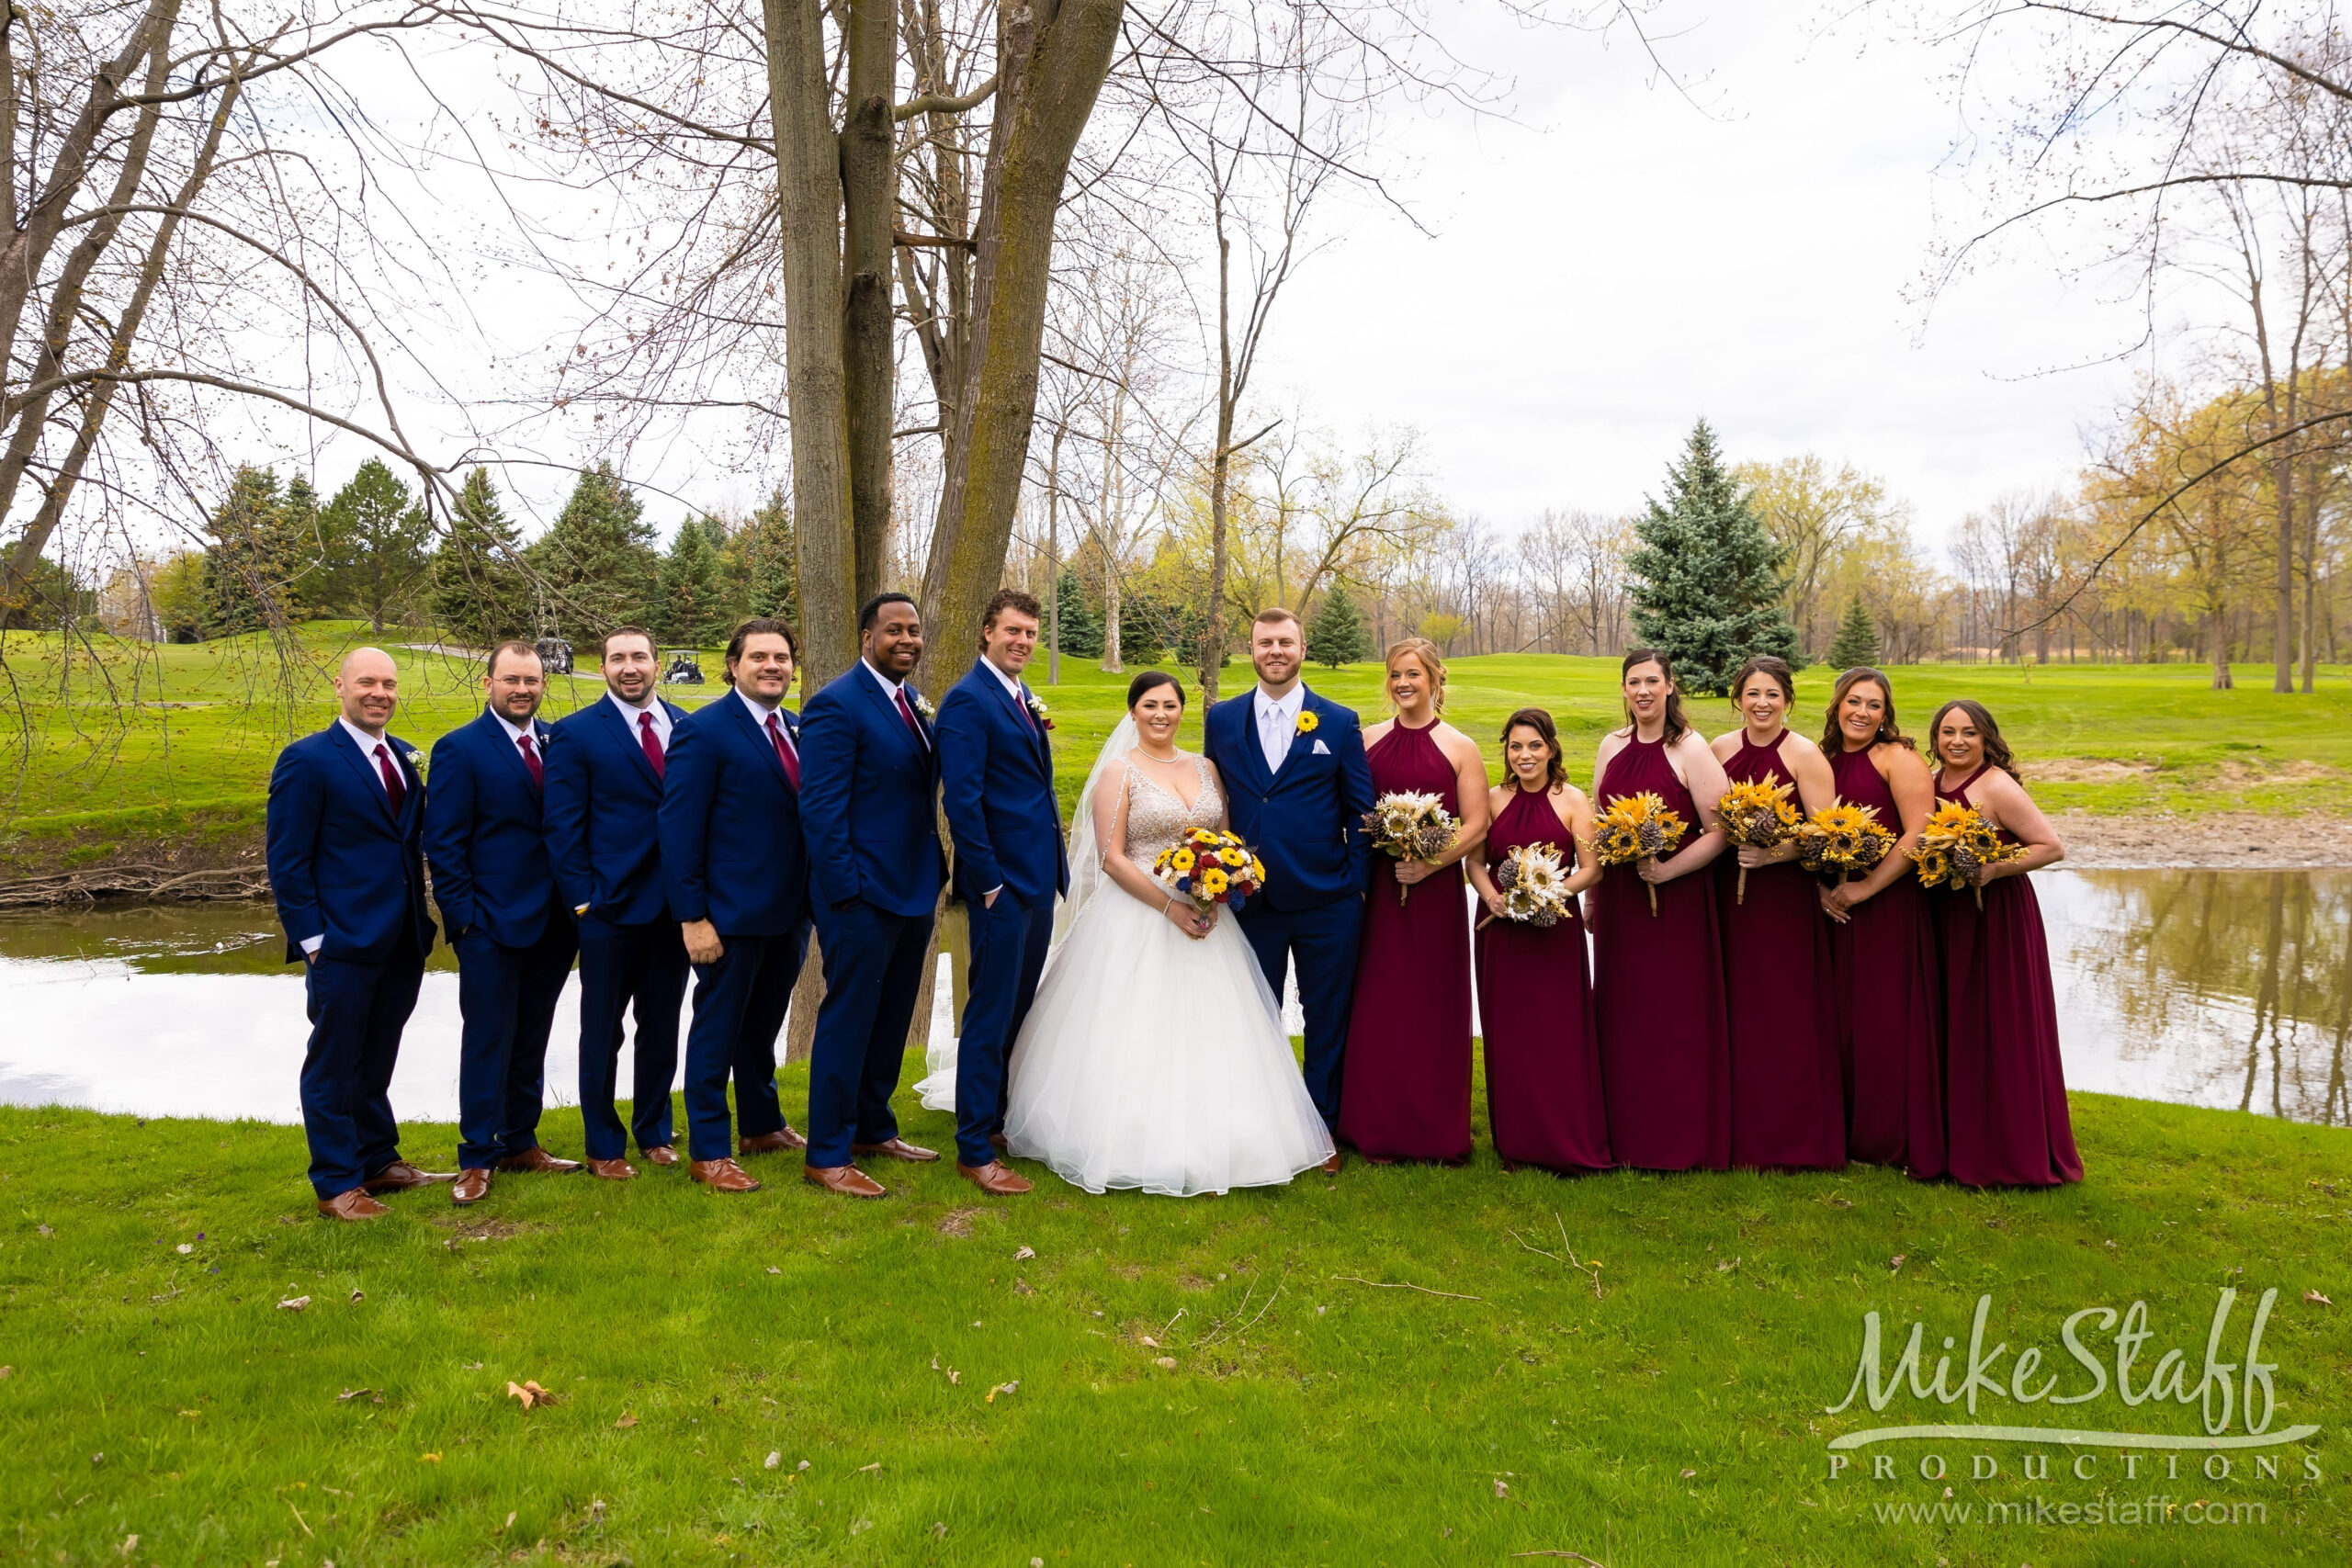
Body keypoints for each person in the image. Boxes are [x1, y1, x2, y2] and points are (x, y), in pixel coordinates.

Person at [1002, 671, 1334, 1194]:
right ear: (1132, 712)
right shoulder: (1120, 772)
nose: (1161, 714)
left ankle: (1232, 1134)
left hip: (1204, 915)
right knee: (1132, 1029)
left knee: (1219, 1027)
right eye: (1150, 705)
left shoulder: (1206, 768)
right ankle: (1125, 1136)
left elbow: (1226, 839)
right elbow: (1111, 859)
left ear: (1183, 712)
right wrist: (1170, 909)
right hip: (1138, 915)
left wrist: (1218, 890)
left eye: (1171, 706)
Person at [265, 647, 451, 1219]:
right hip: (340, 942)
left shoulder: (400, 755)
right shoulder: (307, 760)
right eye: (367, 682)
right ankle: (336, 1183)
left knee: (377, 1057)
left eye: (389, 684)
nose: (380, 693)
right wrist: (314, 940)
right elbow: (288, 859)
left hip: (400, 938)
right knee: (333, 1063)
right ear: (341, 688)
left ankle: (378, 1160)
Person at [1201, 607, 1372, 1172]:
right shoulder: (1222, 719)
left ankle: (1321, 1131)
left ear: (1302, 647)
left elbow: (1362, 813)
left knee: (1326, 1016)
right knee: (1254, 1015)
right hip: (1252, 901)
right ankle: (1258, 1127)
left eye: (1285, 642)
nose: (1275, 651)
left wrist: (1353, 883)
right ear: (1250, 648)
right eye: (1265, 642)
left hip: (1328, 901)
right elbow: (1215, 801)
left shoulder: (1339, 722)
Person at [797, 592, 949, 1198]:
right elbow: (821, 808)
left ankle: (872, 1127)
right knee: (850, 1017)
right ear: (867, 637)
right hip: (859, 894)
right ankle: (827, 1151)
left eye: (914, 629)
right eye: (894, 630)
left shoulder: (911, 702)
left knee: (892, 1017)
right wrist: (846, 891)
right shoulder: (835, 706)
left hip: (913, 884)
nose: (907, 639)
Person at [657, 618, 816, 1194]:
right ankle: (708, 1149)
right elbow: (678, 829)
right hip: (726, 917)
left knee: (762, 1027)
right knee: (716, 1032)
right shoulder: (704, 732)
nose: (772, 666)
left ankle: (762, 1124)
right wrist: (692, 917)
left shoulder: (797, 728)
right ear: (733, 665)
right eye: (759, 657)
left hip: (790, 911)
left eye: (781, 657)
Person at [424, 642, 582, 1204]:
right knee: (488, 1038)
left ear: (544, 685)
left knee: (532, 1036)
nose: (523, 689)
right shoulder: (460, 750)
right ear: (488, 683)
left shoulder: (557, 742)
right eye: (511, 679)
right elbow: (443, 844)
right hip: (489, 924)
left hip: (554, 924)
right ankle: (476, 1156)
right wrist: (464, 923)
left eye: (533, 680)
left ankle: (520, 1141)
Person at [543, 626, 693, 1179]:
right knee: (603, 1030)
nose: (630, 668)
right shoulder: (576, 734)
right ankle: (603, 1141)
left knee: (662, 1024)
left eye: (639, 658)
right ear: (602, 667)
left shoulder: (686, 727)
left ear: (657, 664)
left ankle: (654, 1130)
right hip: (608, 910)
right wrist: (583, 903)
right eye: (617, 659)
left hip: (675, 910)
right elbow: (562, 828)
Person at [933, 589, 1069, 1197]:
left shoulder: (1015, 696)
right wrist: (988, 881)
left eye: (1030, 634)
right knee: (988, 1014)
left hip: (1036, 879)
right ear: (986, 632)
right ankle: (972, 1150)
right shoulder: (968, 700)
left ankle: (994, 1122)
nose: (1022, 641)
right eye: (1012, 630)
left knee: (1016, 1009)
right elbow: (961, 799)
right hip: (1001, 887)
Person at [1335, 637, 1489, 1163]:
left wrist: (1430, 862)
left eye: (1413, 675)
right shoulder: (1368, 739)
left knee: (1428, 1004)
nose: (1403, 684)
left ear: (1434, 679)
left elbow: (1477, 825)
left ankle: (1433, 1129)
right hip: (1377, 890)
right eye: (1396, 675)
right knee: (1379, 1003)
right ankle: (1370, 1123)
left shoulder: (1459, 746)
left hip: (1434, 895)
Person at [1928, 699, 2083, 1189]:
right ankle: (1956, 1141)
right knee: (1957, 1027)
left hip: (1994, 917)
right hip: (1946, 914)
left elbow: (2050, 846)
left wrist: (1992, 869)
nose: (1957, 741)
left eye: (1969, 733)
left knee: (1996, 1027)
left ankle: (2008, 1151)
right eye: (1948, 732)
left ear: (1986, 738)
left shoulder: (1995, 785)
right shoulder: (1932, 783)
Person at [1588, 648, 1733, 1172]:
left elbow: (1721, 833)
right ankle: (1624, 1131)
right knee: (1624, 1011)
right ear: (1624, 689)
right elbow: (1600, 825)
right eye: (1633, 682)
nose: (1643, 691)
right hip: (1624, 900)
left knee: (1673, 1016)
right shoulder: (1611, 745)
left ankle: (1679, 1136)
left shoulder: (1691, 750)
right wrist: (1593, 895)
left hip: (1678, 902)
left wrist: (1669, 871)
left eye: (1653, 681)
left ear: (1671, 686)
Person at [1708, 655, 1845, 1171]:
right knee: (1734, 1007)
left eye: (1772, 695)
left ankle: (1788, 1136)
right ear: (1738, 699)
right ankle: (1733, 1129)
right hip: (1729, 896)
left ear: (1788, 700)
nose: (1762, 704)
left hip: (1783, 901)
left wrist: (1774, 853)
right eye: (1752, 694)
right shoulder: (1719, 750)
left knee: (1781, 1010)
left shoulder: (1805, 755)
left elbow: (1826, 834)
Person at [1464, 708, 1610, 1174]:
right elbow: (1475, 863)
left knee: (1557, 1033)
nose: (1524, 756)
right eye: (1515, 747)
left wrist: (1543, 894)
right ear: (1506, 751)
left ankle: (1564, 1139)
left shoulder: (1572, 800)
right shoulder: (1492, 798)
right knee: (1509, 1034)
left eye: (1534, 746)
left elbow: (1592, 869)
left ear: (1551, 748)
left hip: (1553, 934)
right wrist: (1495, 898)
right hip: (1502, 932)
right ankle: (1517, 1142)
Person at [1817, 668, 1945, 1178]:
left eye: (1873, 704)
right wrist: (1823, 890)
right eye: (1854, 701)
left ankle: (1890, 1136)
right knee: (1839, 1020)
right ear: (1837, 705)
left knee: (1885, 1020)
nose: (1861, 712)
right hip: (1834, 907)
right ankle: (1843, 1130)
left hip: (1888, 905)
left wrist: (1866, 887)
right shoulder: (1821, 759)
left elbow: (1920, 832)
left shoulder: (1898, 759)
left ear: (1886, 713)